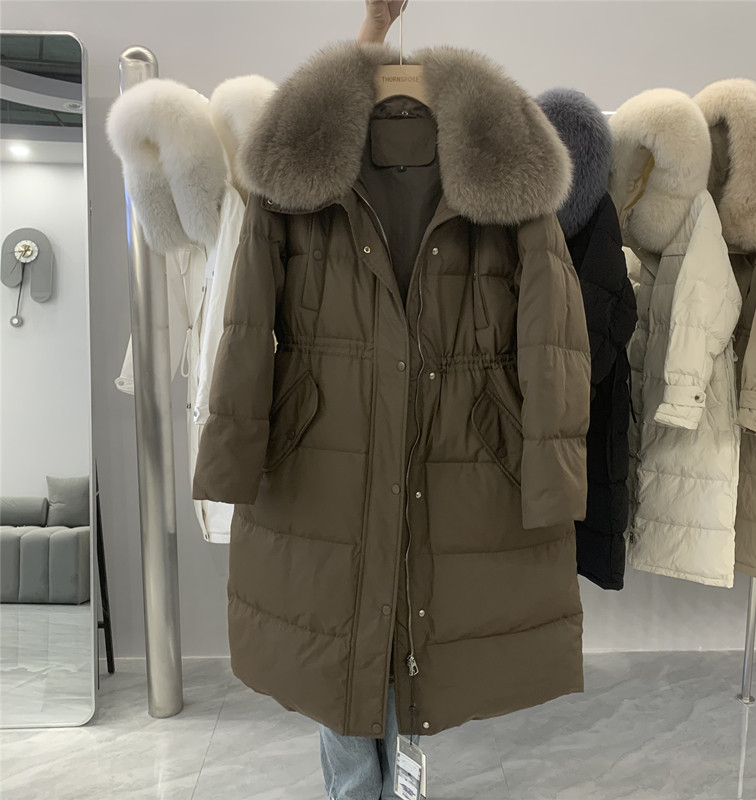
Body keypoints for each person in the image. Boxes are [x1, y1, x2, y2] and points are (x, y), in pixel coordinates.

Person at [319, 8, 415, 796]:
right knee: (345, 639)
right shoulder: (318, 186)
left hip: (417, 443)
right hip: (337, 441)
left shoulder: (448, 180)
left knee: (402, 640)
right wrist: (375, 24)